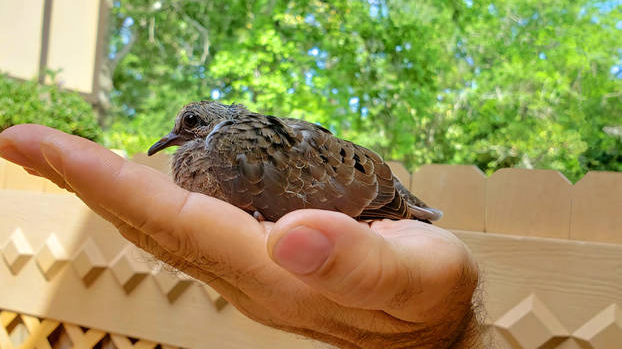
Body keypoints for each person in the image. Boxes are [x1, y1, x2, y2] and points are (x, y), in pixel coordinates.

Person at [0, 124, 483, 348]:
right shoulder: (218, 149)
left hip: (369, 194)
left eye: (186, 126)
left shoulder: (229, 148)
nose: (175, 139)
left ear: (204, 126)